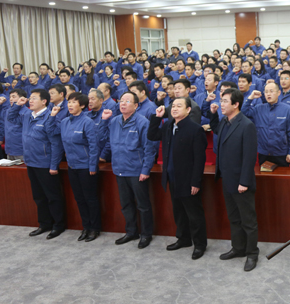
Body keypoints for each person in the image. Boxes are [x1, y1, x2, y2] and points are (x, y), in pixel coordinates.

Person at [148, 98, 208, 260]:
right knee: (179, 211)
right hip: (172, 177)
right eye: (173, 106)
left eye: (179, 106)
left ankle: (200, 244)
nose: (174, 108)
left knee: (194, 214)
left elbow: (199, 159)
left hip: (188, 180)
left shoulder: (195, 129)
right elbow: (152, 135)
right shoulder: (168, 125)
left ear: (188, 110)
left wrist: (196, 182)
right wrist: (157, 117)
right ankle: (183, 239)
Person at [205, 88, 259, 271]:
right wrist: (213, 114)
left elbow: (249, 157)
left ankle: (252, 253)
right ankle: (238, 248)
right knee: (234, 218)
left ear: (236, 104)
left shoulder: (246, 125)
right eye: (221, 101)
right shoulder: (224, 121)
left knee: (248, 220)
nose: (221, 104)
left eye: (225, 101)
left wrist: (244, 181)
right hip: (227, 178)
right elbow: (216, 131)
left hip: (241, 181)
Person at [100, 91, 158, 249]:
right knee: (126, 204)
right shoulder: (114, 120)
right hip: (120, 169)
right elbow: (101, 137)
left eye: (127, 101)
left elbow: (149, 149)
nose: (123, 104)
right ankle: (131, 231)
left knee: (143, 205)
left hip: (136, 170)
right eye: (121, 101)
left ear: (136, 105)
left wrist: (145, 170)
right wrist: (104, 121)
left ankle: (146, 234)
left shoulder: (142, 122)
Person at [7, 89, 65, 239]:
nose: (30, 101)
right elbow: (11, 117)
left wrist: (53, 165)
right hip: (31, 162)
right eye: (30, 98)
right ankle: (44, 223)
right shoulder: (27, 115)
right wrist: (17, 105)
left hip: (45, 163)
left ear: (44, 101)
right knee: (38, 196)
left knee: (52, 196)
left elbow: (56, 144)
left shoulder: (50, 116)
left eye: (34, 98)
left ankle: (58, 225)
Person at [48, 93, 101, 242]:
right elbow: (51, 131)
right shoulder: (65, 121)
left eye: (73, 102)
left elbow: (94, 146)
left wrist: (92, 166)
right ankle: (86, 227)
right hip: (72, 166)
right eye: (69, 102)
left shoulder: (87, 122)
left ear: (82, 105)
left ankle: (95, 228)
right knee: (79, 199)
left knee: (90, 199)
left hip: (86, 167)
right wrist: (52, 117)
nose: (70, 105)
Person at [242, 83, 290, 167]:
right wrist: (250, 98)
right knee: (264, 175)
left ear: (278, 93)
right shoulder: (258, 108)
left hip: (281, 153)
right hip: (264, 153)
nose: (268, 94)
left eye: (271, 91)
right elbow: (243, 112)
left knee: (282, 175)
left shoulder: (287, 109)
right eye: (266, 92)